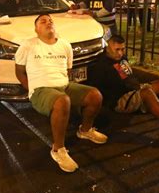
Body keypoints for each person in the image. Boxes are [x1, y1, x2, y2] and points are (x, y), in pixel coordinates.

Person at [15, 13, 107, 172]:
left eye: (50, 21)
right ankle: (58, 149)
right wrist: (31, 89)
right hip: (41, 89)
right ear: (36, 29)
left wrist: (63, 85)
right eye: (42, 21)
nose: (48, 22)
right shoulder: (28, 45)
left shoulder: (65, 45)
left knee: (95, 95)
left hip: (63, 86)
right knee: (62, 101)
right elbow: (19, 72)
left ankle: (85, 130)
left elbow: (68, 70)